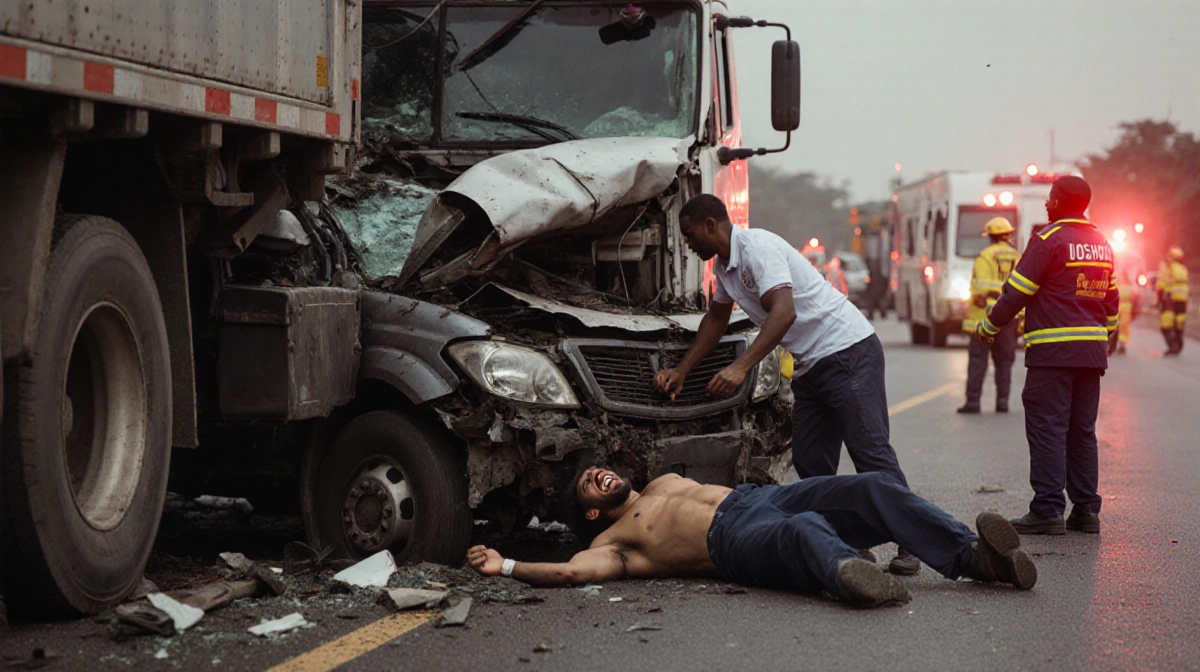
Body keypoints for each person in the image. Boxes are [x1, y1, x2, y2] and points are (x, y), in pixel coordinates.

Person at [650, 194, 919, 575]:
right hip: (812, 366)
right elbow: (716, 319)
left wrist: (741, 368)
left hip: (847, 351)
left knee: (870, 452)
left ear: (711, 226)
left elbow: (784, 313)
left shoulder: (757, 247)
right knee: (811, 461)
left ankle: (912, 539)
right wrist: (681, 370)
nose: (688, 244)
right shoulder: (725, 269)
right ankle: (850, 541)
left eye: (690, 235)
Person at [466, 466, 1038, 608]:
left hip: (756, 496)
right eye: (588, 486)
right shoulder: (610, 544)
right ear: (590, 514)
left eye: (596, 470)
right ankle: (850, 579)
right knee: (802, 531)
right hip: (733, 541)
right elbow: (569, 575)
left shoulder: (663, 478)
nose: (597, 476)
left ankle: (974, 555)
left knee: (872, 488)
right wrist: (507, 565)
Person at [975, 176, 1118, 535]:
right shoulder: (1102, 243)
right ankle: (1086, 512)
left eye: (1050, 197)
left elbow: (1016, 293)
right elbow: (1111, 301)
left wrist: (989, 327)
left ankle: (1048, 510)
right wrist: (1105, 336)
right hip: (1090, 354)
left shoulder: (1048, 241)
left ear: (1059, 202)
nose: (1046, 203)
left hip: (1053, 353)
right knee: (1082, 432)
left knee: (1048, 429)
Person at [958, 217, 1022, 414]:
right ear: (1008, 235)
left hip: (984, 319)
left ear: (991, 237)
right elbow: (1023, 289)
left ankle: (973, 402)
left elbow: (981, 288)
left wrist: (981, 297)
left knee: (978, 360)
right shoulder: (1018, 257)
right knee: (1004, 361)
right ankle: (1002, 401)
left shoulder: (985, 256)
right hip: (1009, 318)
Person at [1154, 245, 1189, 355]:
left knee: (1166, 325)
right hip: (1182, 301)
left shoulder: (1166, 268)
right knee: (1179, 324)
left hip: (1169, 300)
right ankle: (1179, 345)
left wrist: (1158, 301)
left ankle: (1172, 348)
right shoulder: (1183, 269)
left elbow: (1160, 285)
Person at [1114, 264, 1135, 355]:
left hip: (1119, 306)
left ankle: (1118, 345)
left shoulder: (1118, 282)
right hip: (1125, 307)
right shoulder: (1130, 285)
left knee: (1118, 327)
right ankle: (1121, 346)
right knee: (1123, 328)